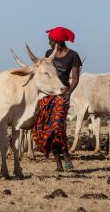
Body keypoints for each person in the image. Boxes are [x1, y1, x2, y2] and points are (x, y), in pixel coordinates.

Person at [32, 26, 82, 172]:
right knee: (48, 129)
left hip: (62, 96)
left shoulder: (73, 55)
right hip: (48, 96)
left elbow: (75, 79)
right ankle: (60, 162)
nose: (48, 42)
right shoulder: (49, 54)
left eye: (50, 40)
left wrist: (68, 93)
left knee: (57, 128)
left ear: (57, 42)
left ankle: (64, 158)